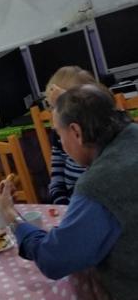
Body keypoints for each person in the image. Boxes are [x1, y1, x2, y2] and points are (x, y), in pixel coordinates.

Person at [0, 84, 137, 300]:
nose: (61, 146)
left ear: (75, 131)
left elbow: (56, 260)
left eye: (59, 138)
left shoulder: (101, 182)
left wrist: (12, 218)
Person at [44, 66, 104, 204]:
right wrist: (62, 205)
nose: (54, 123)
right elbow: (56, 179)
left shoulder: (100, 134)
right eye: (53, 108)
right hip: (73, 205)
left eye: (60, 108)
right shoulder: (59, 134)